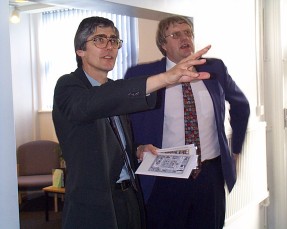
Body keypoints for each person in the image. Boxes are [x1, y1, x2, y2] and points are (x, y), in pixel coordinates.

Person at [52, 16, 211, 229]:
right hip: (93, 205)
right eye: (99, 39)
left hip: (129, 198)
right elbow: (90, 105)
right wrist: (165, 78)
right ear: (80, 50)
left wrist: (137, 149)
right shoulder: (68, 86)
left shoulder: (115, 89)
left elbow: (112, 138)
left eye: (114, 40)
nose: (109, 47)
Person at [124, 16, 250, 229]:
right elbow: (125, 118)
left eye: (188, 33)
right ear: (163, 45)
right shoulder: (143, 75)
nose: (185, 38)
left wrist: (235, 150)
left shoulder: (214, 69)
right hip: (164, 176)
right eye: (176, 34)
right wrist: (136, 148)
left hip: (209, 177)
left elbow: (241, 105)